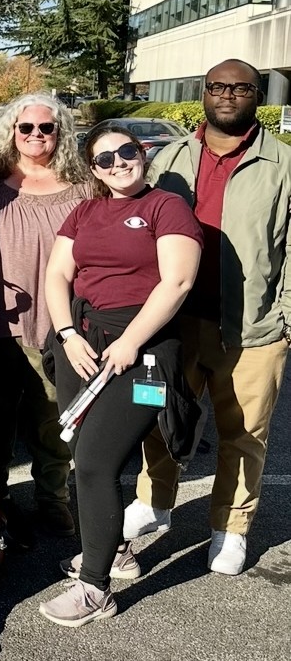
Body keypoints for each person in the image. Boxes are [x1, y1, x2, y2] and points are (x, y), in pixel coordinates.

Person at [125, 58, 291, 576]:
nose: (227, 95)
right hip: (175, 323)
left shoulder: (282, 165)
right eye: (217, 86)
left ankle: (231, 528)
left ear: (257, 95)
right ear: (203, 92)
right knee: (161, 417)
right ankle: (155, 504)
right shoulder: (169, 159)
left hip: (253, 326)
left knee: (243, 434)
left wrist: (285, 318)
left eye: (240, 88)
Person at [38, 125, 201, 627]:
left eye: (126, 152)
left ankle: (95, 588)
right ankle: (118, 551)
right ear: (93, 170)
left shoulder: (166, 206)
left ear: (142, 153)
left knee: (93, 464)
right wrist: (66, 333)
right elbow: (57, 275)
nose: (117, 163)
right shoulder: (85, 211)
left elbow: (178, 280)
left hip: (144, 349)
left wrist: (131, 341)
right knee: (85, 453)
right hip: (82, 344)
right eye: (104, 159)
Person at [0, 93, 91, 537]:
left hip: (62, 326)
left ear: (61, 133)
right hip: (1, 325)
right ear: (12, 132)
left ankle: (52, 498)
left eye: (47, 128)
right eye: (27, 128)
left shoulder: (84, 189)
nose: (36, 135)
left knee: (54, 419)